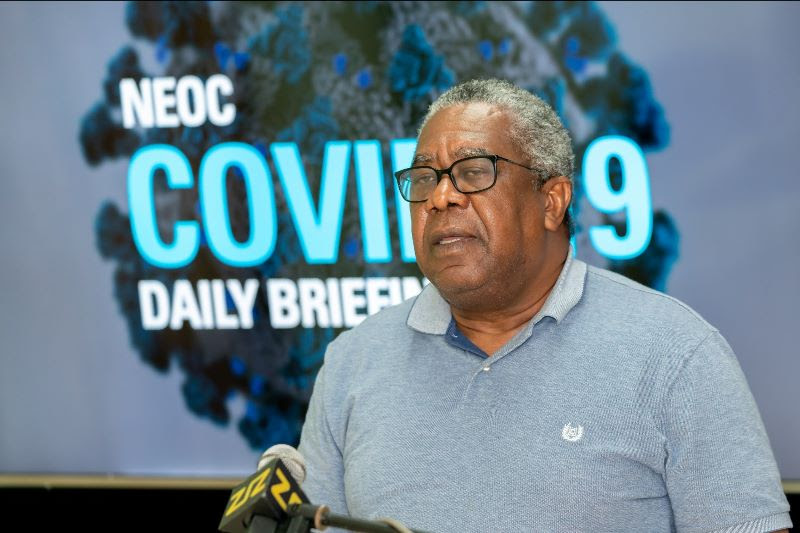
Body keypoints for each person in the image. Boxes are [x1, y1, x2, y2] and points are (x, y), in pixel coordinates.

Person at [297, 79, 791, 532]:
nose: (440, 197)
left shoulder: (675, 354)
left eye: (472, 172)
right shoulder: (352, 364)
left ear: (552, 201)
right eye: (425, 178)